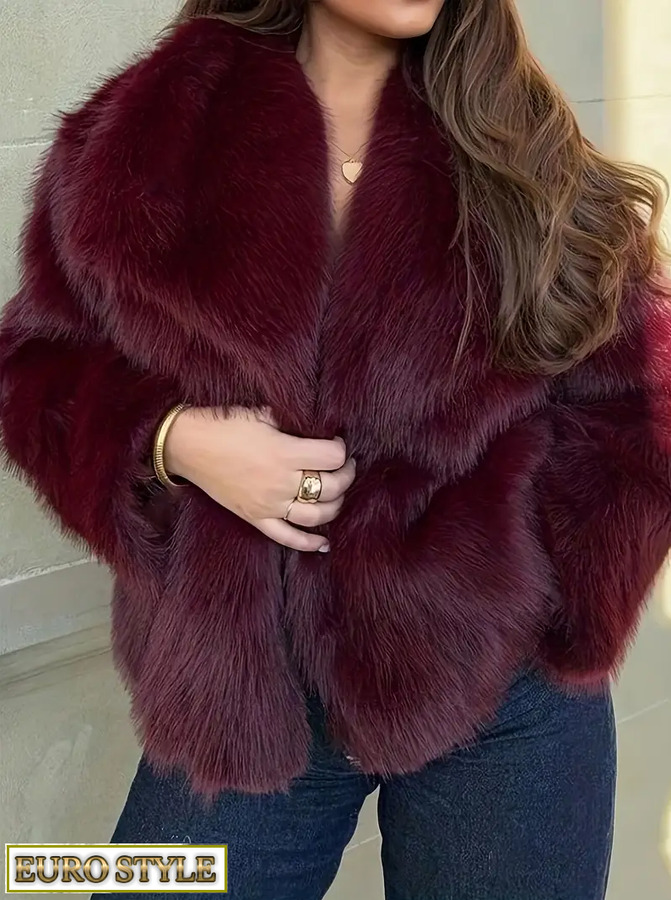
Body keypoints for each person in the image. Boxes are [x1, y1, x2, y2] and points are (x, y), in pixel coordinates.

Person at [2, 1, 670, 897]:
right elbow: (37, 365)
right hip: (243, 692)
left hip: (499, 692)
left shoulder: (525, 148)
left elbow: (635, 401)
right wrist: (171, 439)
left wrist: (528, 592)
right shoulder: (147, 134)